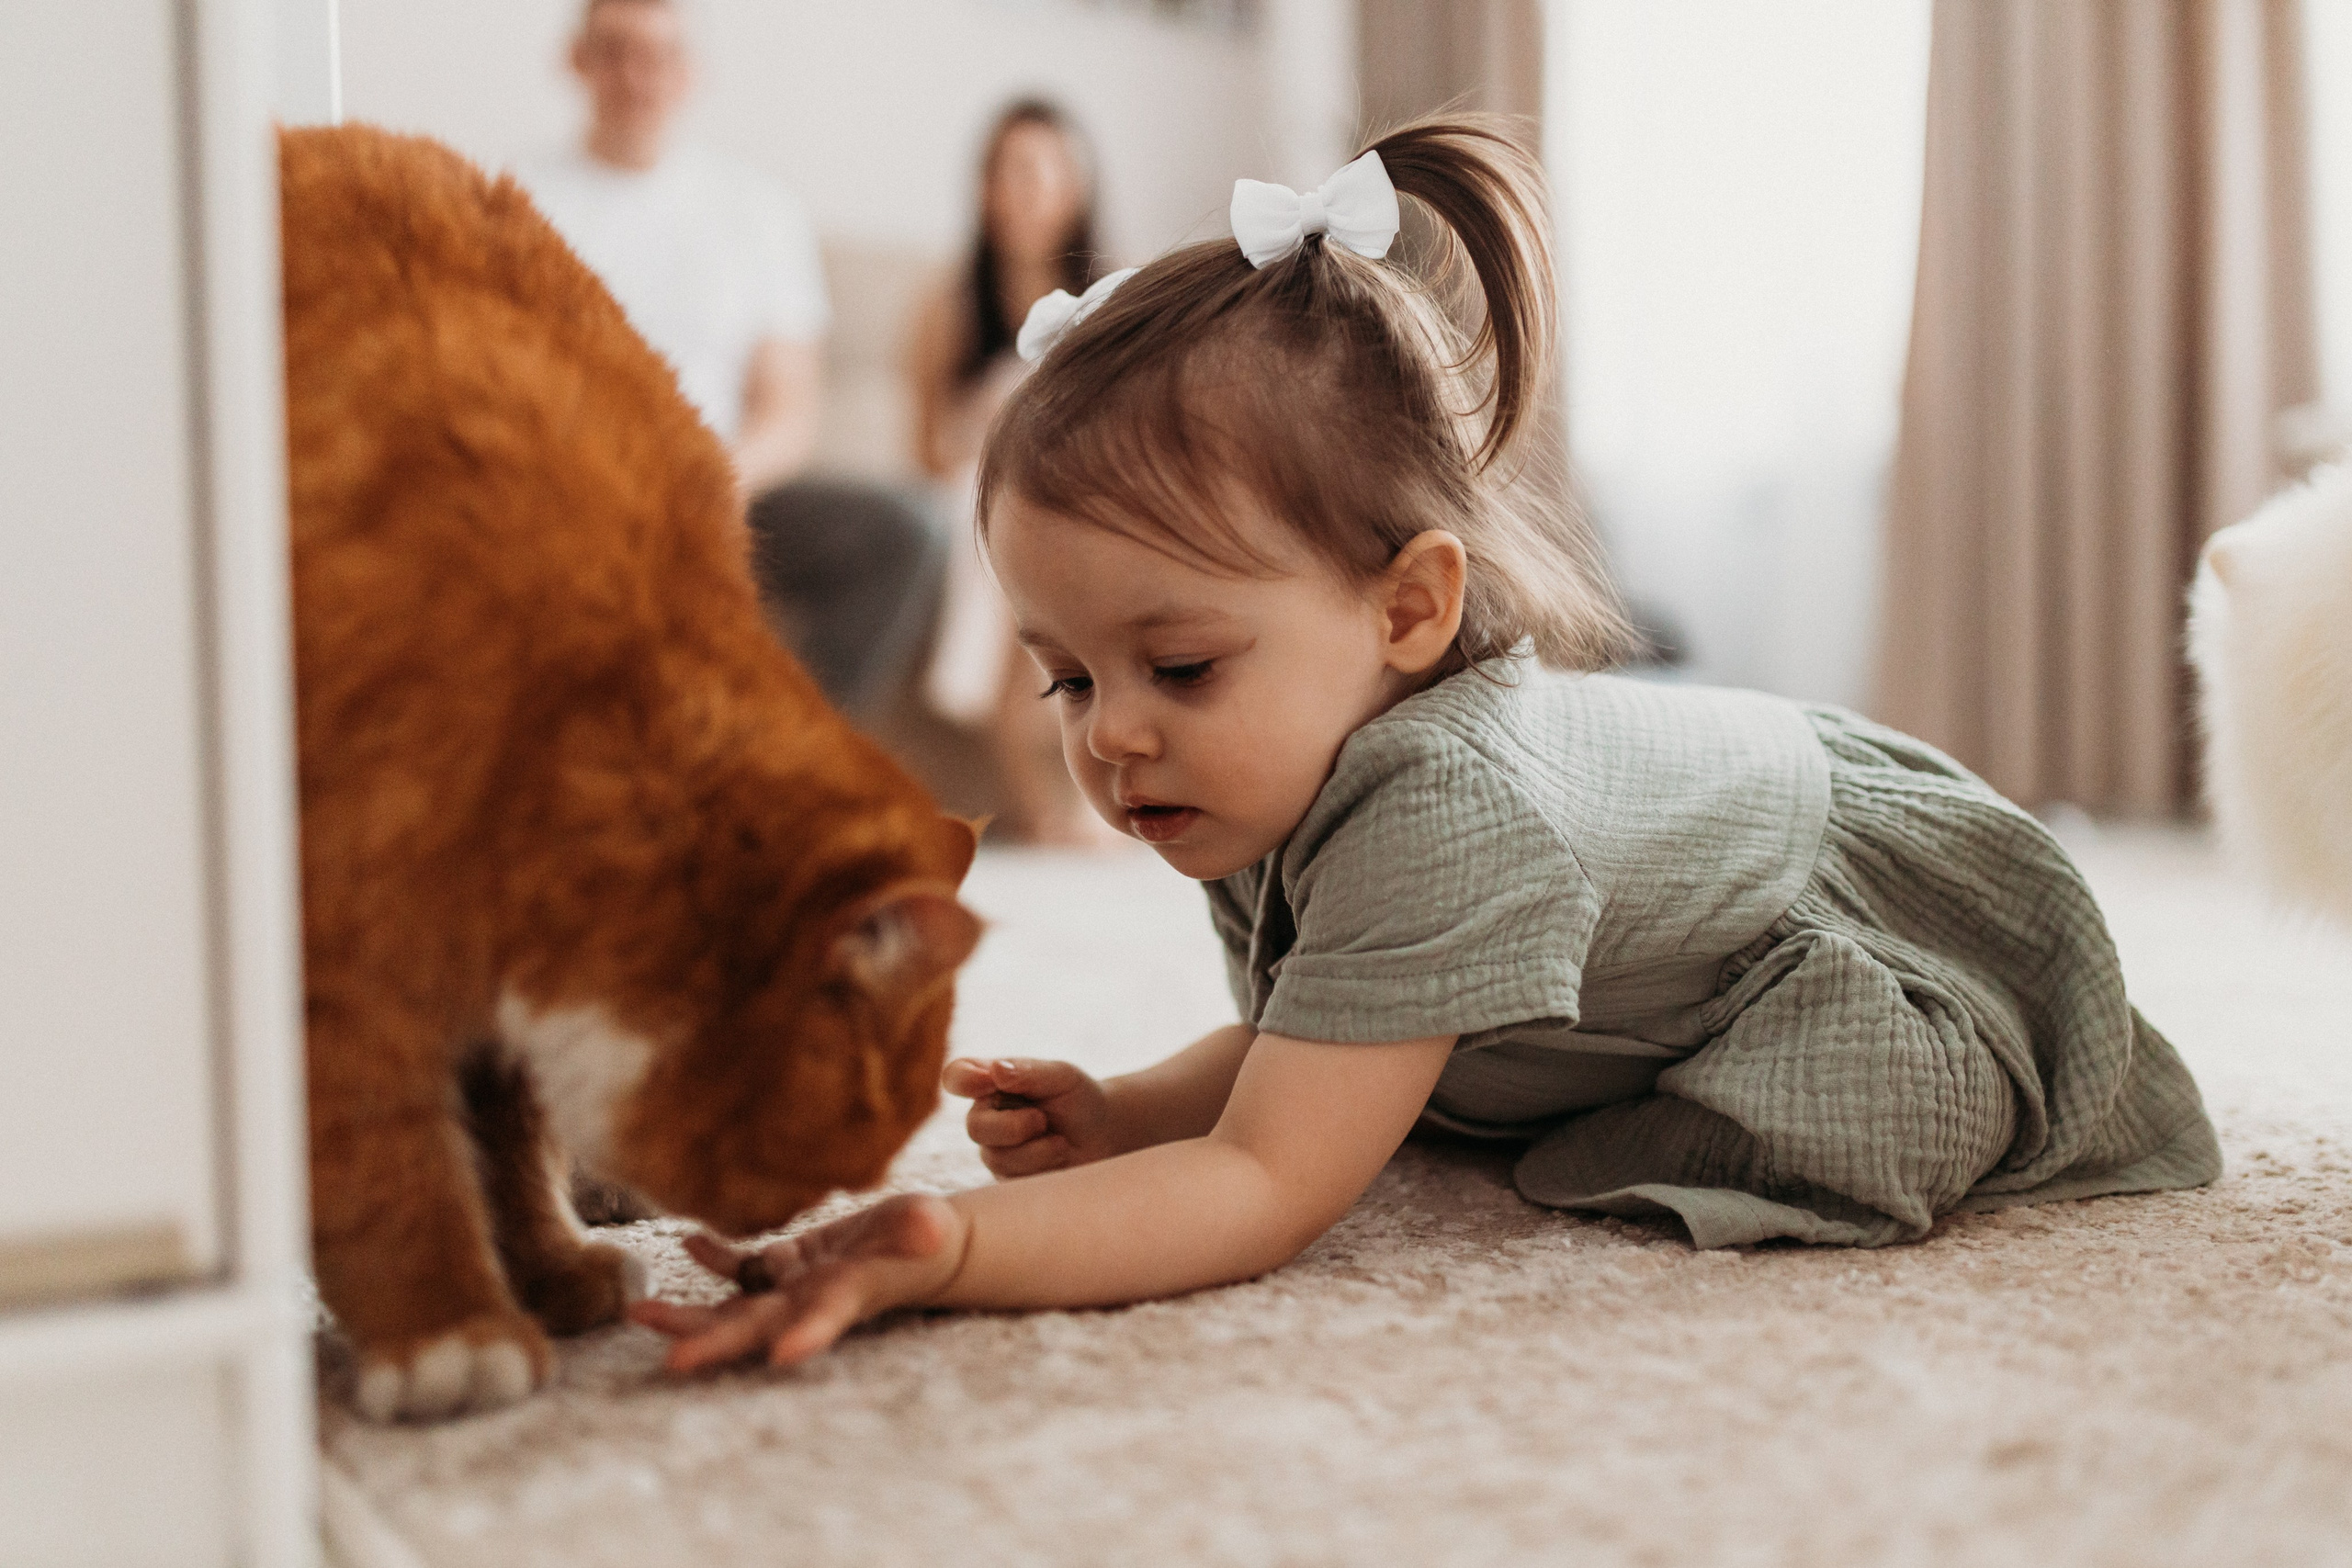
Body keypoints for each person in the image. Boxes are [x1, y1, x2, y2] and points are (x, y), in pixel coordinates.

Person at [629, 118, 2222, 1371]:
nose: (1112, 733)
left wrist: (953, 1248)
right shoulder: (1266, 762)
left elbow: (1267, 1180)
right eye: (1061, 679)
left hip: (1860, 925)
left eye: (1176, 663)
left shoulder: (1441, 810)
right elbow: (1328, 1026)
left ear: (1407, 609)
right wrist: (1131, 1109)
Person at [519, 0, 936, 718]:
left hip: (729, 489)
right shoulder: (516, 201)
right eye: (615, 51)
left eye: (658, 56)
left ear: (688, 73)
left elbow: (789, 410)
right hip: (573, 485)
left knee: (902, 530)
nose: (636, 77)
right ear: (577, 60)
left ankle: (801, 759)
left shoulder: (756, 212)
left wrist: (713, 483)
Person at [904, 100, 1114, 844]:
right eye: (1005, 172)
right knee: (986, 513)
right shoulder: (949, 308)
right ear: (983, 189)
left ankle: (1072, 785)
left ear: (1075, 187)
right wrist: (982, 427)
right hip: (978, 490)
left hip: (1085, 491)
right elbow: (924, 454)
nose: (1021, 191)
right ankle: (1042, 802)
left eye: (1038, 171)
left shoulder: (1114, 307)